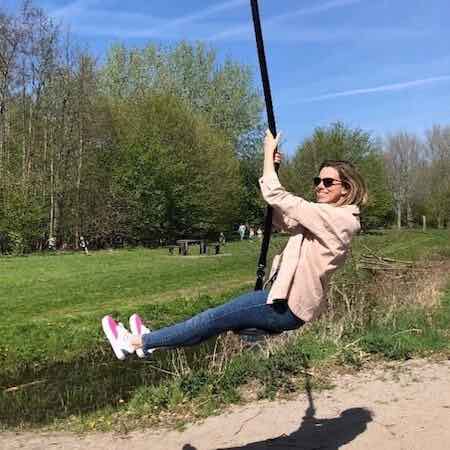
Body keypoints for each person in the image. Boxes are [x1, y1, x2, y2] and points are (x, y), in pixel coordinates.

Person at [102, 129, 367, 360]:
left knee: (210, 319)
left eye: (328, 182)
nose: (320, 186)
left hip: (287, 306)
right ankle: (151, 341)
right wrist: (272, 171)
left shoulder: (339, 219)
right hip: (285, 302)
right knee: (212, 322)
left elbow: (278, 195)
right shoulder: (324, 217)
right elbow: (280, 217)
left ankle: (134, 343)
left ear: (346, 188)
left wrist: (267, 154)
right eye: (317, 181)